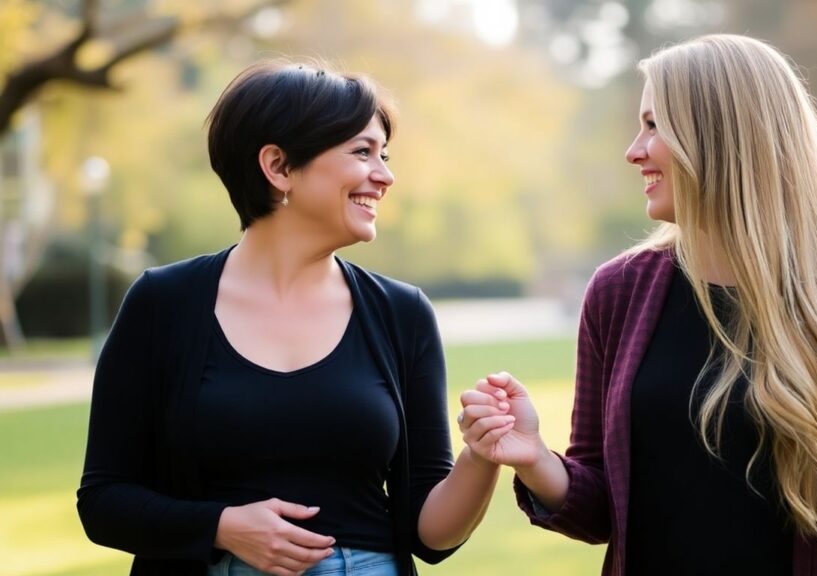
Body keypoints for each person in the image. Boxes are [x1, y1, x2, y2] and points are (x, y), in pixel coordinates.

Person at [458, 35, 817, 575]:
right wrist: (534, 457)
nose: (634, 150)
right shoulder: (618, 292)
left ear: (722, 136)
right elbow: (604, 511)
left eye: (654, 125)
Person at [77, 60, 510, 576]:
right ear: (278, 166)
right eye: (362, 152)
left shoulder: (403, 313)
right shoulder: (162, 303)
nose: (386, 175)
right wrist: (221, 525)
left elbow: (430, 535)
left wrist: (481, 457)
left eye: (384, 155)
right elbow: (103, 502)